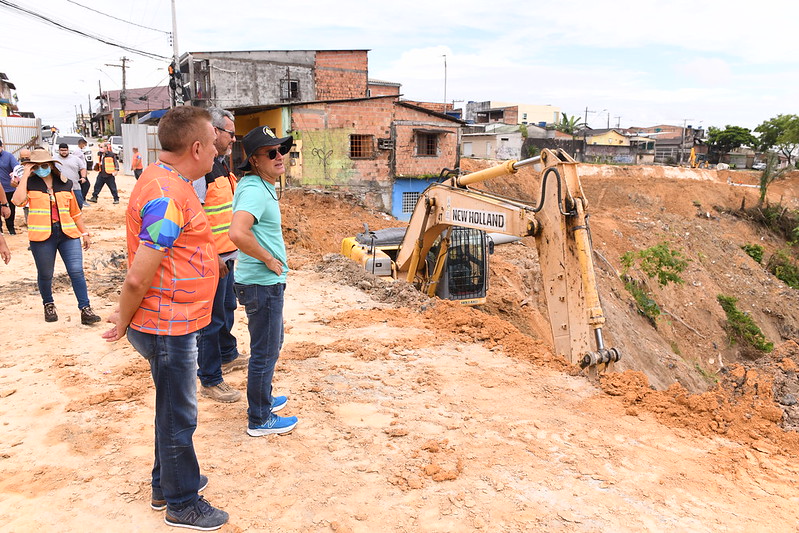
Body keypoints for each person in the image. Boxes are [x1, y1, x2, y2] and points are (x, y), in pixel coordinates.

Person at [101, 106, 228, 531]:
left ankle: (165, 484)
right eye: (213, 143)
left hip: (173, 318)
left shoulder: (167, 182)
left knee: (170, 409)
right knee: (179, 415)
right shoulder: (167, 196)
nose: (218, 151)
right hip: (167, 324)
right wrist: (123, 319)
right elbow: (139, 275)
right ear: (197, 147)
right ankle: (182, 502)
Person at [229, 125, 297, 436]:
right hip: (261, 282)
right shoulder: (255, 190)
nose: (279, 156)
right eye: (271, 153)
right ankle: (259, 418)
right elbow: (237, 232)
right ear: (254, 160)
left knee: (272, 343)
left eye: (281, 150)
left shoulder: (259, 185)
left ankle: (264, 400)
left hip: (263, 282)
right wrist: (268, 259)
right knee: (265, 351)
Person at [193, 107, 247, 403]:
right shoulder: (203, 171)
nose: (233, 138)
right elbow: (195, 217)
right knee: (211, 320)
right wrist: (212, 255)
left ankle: (227, 354)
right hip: (212, 258)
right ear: (214, 131)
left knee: (226, 309)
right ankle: (210, 378)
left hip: (227, 255)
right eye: (230, 133)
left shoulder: (222, 166)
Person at [10, 148, 101, 324]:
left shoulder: (64, 183)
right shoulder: (30, 184)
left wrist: (84, 233)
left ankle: (85, 309)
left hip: (68, 234)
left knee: (76, 271)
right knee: (45, 274)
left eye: (44, 165)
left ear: (51, 165)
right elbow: (17, 201)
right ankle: (48, 304)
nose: (41, 169)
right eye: (37, 166)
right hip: (42, 237)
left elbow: (75, 213)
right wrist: (26, 175)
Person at [54, 142, 87, 208]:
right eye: (62, 150)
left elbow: (83, 168)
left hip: (75, 186)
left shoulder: (76, 159)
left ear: (68, 150)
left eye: (65, 150)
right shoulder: (54, 160)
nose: (64, 152)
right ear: (59, 150)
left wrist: (83, 177)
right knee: (62, 206)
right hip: (60, 187)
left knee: (79, 204)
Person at [0, 139, 20, 234]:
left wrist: (14, 174)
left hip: (9, 189)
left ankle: (11, 228)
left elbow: (16, 167)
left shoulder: (8, 156)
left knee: (10, 210)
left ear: (1, 147)